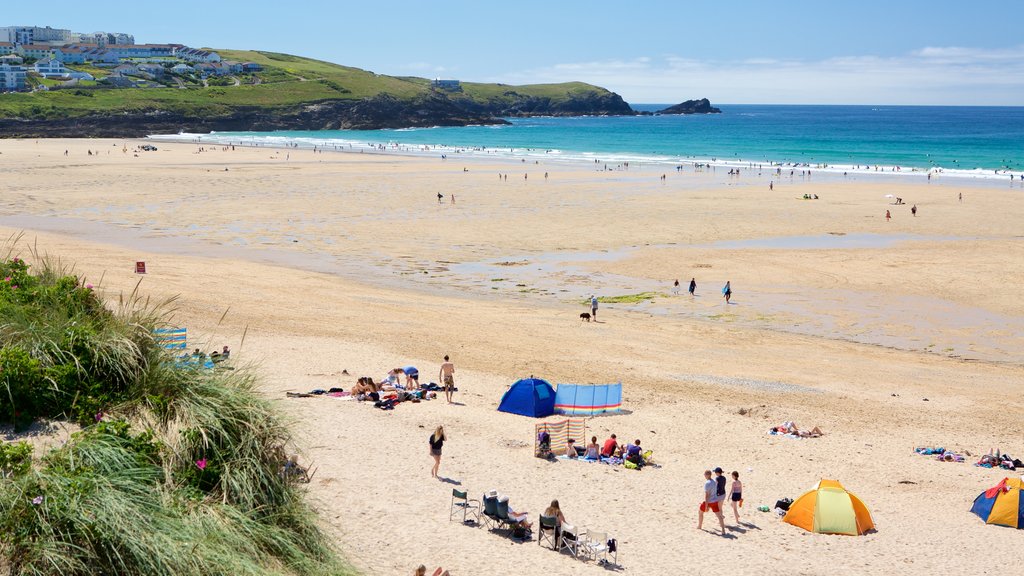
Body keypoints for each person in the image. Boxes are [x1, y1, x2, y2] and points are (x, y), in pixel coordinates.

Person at [698, 470, 726, 534]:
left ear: (708, 475)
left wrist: (706, 506)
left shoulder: (707, 483)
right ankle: (723, 530)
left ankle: (699, 526)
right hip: (715, 501)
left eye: (705, 474)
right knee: (719, 516)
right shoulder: (714, 482)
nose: (704, 475)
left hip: (708, 501)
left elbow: (707, 495)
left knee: (700, 513)